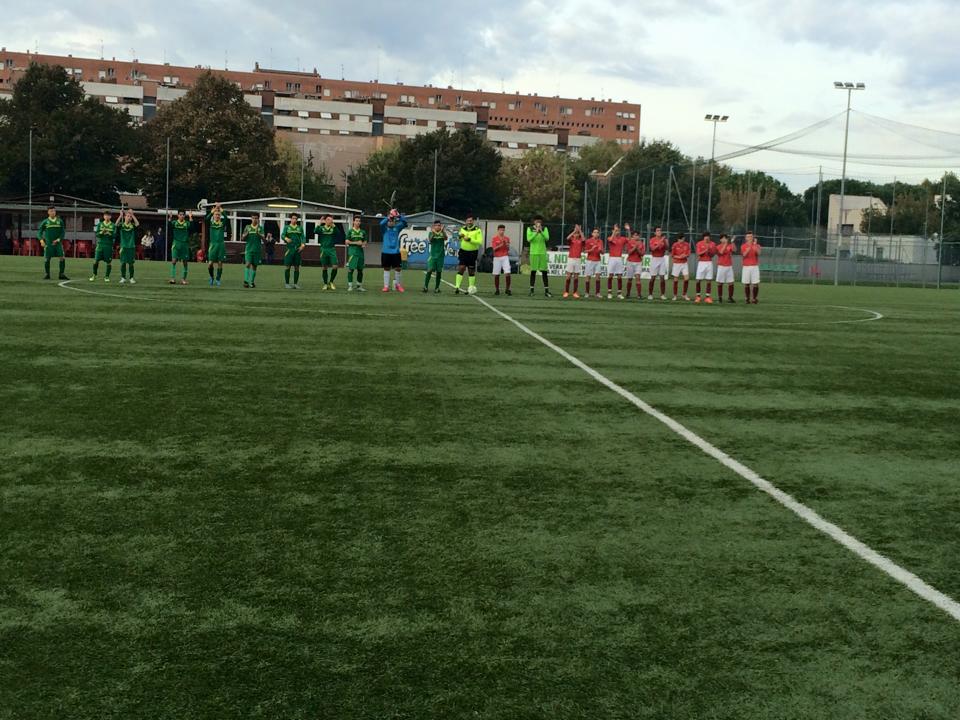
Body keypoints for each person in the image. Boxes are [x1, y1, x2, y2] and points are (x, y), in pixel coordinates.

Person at [454, 214, 482, 295]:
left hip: (473, 252)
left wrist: (469, 239)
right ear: (465, 221)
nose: (469, 222)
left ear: (473, 221)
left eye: (471, 220)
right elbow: (459, 238)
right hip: (463, 251)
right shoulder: (462, 229)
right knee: (461, 268)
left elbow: (479, 242)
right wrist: (460, 237)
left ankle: (471, 288)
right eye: (468, 221)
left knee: (471, 270)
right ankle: (457, 287)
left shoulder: (477, 230)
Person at [380, 209, 407, 292]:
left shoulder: (397, 228)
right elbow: (381, 223)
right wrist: (389, 217)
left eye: (392, 220)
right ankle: (386, 286)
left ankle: (398, 285)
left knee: (398, 268)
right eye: (390, 221)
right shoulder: (384, 229)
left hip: (396, 252)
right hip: (386, 252)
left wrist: (398, 216)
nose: (391, 222)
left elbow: (405, 223)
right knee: (386, 268)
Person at [38, 205, 68, 280]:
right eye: (51, 211)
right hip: (48, 244)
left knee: (62, 258)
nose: (53, 212)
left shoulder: (60, 221)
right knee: (47, 259)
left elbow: (63, 233)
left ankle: (61, 274)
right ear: (48, 212)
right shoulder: (45, 222)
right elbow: (39, 232)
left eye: (54, 211)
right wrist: (41, 241)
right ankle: (47, 274)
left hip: (58, 243)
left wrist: (58, 240)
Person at [525, 215, 551, 297]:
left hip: (542, 253)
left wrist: (541, 232)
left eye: (539, 221)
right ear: (534, 222)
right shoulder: (530, 229)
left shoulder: (544, 229)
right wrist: (536, 232)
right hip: (534, 253)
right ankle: (531, 290)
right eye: (536, 221)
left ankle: (546, 291)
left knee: (544, 272)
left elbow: (547, 238)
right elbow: (529, 239)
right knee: (533, 271)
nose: (538, 223)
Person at [205, 202, 228, 287]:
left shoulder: (222, 223)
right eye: (216, 214)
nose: (217, 216)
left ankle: (218, 279)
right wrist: (212, 211)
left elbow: (227, 218)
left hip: (221, 245)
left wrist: (221, 209)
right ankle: (211, 277)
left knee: (220, 263)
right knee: (210, 263)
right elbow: (206, 219)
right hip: (213, 245)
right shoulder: (211, 223)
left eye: (218, 215)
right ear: (213, 216)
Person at [89, 209, 115, 282]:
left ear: (110, 217)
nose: (107, 217)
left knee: (108, 262)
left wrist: (109, 233)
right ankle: (94, 275)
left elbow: (115, 235)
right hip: (100, 245)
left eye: (108, 215)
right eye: (105, 215)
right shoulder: (100, 224)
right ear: (103, 216)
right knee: (96, 261)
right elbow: (97, 234)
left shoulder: (113, 225)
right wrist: (101, 232)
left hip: (108, 246)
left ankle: (107, 277)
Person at [168, 210, 193, 285]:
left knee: (185, 262)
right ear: (178, 215)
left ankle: (183, 279)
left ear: (184, 216)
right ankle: (172, 278)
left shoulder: (187, 223)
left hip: (184, 244)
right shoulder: (174, 223)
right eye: (180, 214)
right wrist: (170, 218)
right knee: (174, 261)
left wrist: (191, 217)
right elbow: (169, 226)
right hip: (176, 243)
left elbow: (192, 227)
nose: (181, 216)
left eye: (183, 215)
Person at [116, 207, 140, 285]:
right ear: (124, 217)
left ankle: (131, 278)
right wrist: (120, 215)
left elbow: (137, 224)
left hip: (131, 247)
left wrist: (133, 215)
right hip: (123, 247)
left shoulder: (132, 226)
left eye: (130, 216)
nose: (129, 217)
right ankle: (123, 278)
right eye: (127, 216)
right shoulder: (122, 226)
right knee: (123, 263)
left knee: (131, 263)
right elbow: (116, 224)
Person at [282, 212, 306, 289]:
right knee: (287, 267)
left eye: (296, 219)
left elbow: (303, 237)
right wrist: (286, 238)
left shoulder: (300, 228)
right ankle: (287, 283)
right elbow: (282, 235)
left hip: (297, 250)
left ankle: (295, 284)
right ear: (290, 219)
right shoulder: (286, 227)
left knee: (297, 267)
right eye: (293, 218)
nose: (294, 220)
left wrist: (303, 245)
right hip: (289, 249)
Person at [422, 220, 447, 293]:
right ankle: (425, 287)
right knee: (429, 270)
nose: (438, 227)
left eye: (439, 225)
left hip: (440, 256)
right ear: (434, 226)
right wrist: (434, 233)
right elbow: (430, 240)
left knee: (439, 272)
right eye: (436, 225)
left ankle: (437, 288)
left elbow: (446, 238)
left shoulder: (442, 233)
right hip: (432, 255)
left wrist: (443, 231)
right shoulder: (431, 233)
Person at [242, 212, 265, 288]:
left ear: (258, 219)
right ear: (251, 219)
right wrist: (246, 234)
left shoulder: (260, 228)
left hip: (257, 250)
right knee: (248, 264)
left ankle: (251, 282)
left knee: (254, 266)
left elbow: (264, 240)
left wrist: (259, 234)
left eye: (256, 218)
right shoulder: (247, 227)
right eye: (253, 218)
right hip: (249, 249)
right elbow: (242, 238)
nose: (254, 219)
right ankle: (246, 281)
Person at [694, 231, 717, 304]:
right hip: (701, 263)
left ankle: (707, 297)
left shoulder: (713, 244)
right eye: (705, 236)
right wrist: (705, 250)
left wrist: (709, 250)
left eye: (708, 236)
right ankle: (698, 296)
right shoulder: (699, 243)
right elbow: (698, 253)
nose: (707, 238)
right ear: (703, 237)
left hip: (709, 263)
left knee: (709, 280)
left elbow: (713, 255)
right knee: (698, 280)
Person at [346, 215, 367, 292]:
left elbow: (364, 241)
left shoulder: (363, 232)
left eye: (359, 221)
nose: (358, 222)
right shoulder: (350, 231)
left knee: (360, 270)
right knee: (351, 269)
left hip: (360, 253)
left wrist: (364, 244)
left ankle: (359, 286)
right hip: (352, 253)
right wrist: (356, 243)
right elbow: (347, 242)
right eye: (356, 221)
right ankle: (350, 286)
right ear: (353, 222)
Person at [563, 224, 585, 299]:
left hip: (578, 259)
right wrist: (575, 231)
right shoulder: (571, 240)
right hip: (571, 259)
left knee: (576, 277)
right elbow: (567, 238)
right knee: (568, 276)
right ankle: (566, 292)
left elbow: (584, 239)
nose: (576, 234)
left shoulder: (581, 240)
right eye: (575, 233)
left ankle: (575, 292)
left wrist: (580, 230)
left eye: (577, 233)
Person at [606, 224, 627, 300]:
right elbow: (610, 240)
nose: (617, 231)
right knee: (610, 276)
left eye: (618, 230)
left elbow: (630, 239)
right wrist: (614, 231)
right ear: (613, 231)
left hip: (619, 258)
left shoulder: (622, 238)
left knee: (619, 276)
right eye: (616, 230)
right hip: (612, 258)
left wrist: (628, 230)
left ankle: (619, 293)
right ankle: (609, 293)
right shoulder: (610, 237)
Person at [647, 226, 669, 301]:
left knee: (662, 278)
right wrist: (660, 241)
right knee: (653, 278)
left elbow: (667, 248)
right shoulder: (652, 240)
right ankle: (650, 294)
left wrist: (665, 242)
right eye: (657, 230)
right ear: (655, 232)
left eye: (660, 230)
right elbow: (653, 249)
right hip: (654, 259)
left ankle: (662, 294)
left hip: (662, 259)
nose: (659, 232)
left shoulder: (664, 239)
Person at [318, 214, 339, 290]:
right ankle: (325, 284)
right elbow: (315, 231)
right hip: (323, 249)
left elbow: (338, 233)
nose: (330, 221)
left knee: (335, 266)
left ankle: (331, 282)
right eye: (328, 220)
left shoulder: (333, 228)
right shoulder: (321, 228)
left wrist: (333, 225)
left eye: (331, 220)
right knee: (324, 267)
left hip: (331, 249)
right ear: (325, 220)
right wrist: (319, 223)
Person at [714, 234, 737, 303]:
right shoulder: (718, 246)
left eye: (725, 238)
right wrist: (726, 243)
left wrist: (732, 241)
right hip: (721, 266)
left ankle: (730, 298)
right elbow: (721, 252)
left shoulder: (729, 245)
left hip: (729, 266)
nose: (724, 239)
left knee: (731, 282)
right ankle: (720, 298)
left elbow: (735, 250)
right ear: (720, 240)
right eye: (723, 238)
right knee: (720, 283)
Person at [491, 224, 512, 296]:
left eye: (503, 230)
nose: (502, 231)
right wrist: (501, 244)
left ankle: (507, 289)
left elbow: (508, 248)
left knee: (507, 272)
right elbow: (494, 249)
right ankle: (497, 289)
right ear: (498, 230)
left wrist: (506, 245)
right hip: (497, 257)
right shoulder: (494, 238)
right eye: (500, 230)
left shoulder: (507, 238)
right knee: (496, 274)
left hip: (505, 256)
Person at [741, 232, 762, 304]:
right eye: (748, 237)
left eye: (751, 237)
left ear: (753, 238)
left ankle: (754, 298)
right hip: (746, 266)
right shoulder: (743, 246)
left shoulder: (757, 245)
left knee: (755, 283)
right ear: (746, 238)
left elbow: (759, 253)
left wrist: (755, 245)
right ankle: (747, 298)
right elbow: (744, 255)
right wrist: (749, 247)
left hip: (754, 266)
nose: (750, 238)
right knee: (746, 283)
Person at [670, 232, 691, 301]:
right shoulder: (675, 245)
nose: (682, 240)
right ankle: (675, 295)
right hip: (677, 263)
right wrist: (679, 257)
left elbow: (688, 253)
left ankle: (684, 294)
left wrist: (685, 255)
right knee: (676, 279)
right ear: (678, 239)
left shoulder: (687, 244)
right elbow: (672, 255)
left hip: (684, 263)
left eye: (682, 239)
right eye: (680, 239)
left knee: (686, 278)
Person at [624, 229, 645, 299]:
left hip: (638, 262)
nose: (636, 236)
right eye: (635, 235)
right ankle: (628, 294)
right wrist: (635, 248)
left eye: (638, 235)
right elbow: (629, 252)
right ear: (633, 236)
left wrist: (637, 249)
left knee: (638, 278)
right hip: (630, 262)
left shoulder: (641, 243)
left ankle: (639, 295)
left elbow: (642, 254)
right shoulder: (630, 242)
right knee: (629, 279)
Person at [584, 228, 604, 299]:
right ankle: (587, 293)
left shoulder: (600, 241)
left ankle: (597, 293)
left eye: (597, 232)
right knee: (588, 277)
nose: (596, 234)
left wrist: (600, 250)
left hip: (597, 260)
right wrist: (592, 249)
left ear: (598, 234)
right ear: (592, 233)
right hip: (590, 260)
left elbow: (603, 252)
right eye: (595, 232)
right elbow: (585, 251)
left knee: (598, 277)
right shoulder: (588, 241)